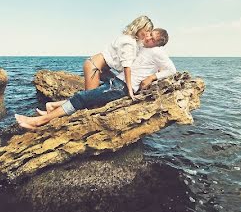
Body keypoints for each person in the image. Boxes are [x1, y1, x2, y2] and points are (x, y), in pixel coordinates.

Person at [17, 28, 175, 129]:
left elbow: (171, 70)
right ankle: (51, 109)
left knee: (81, 97)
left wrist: (152, 77)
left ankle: (39, 122)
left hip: (121, 87)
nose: (148, 38)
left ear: (159, 44)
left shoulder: (158, 53)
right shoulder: (143, 48)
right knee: (88, 96)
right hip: (116, 82)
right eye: (150, 35)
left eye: (153, 39)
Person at [83, 15, 155, 101]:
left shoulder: (135, 42)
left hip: (105, 70)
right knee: (89, 99)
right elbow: (126, 67)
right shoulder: (128, 42)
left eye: (149, 32)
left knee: (115, 88)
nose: (147, 34)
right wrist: (130, 91)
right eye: (146, 31)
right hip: (94, 66)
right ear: (139, 27)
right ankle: (64, 105)